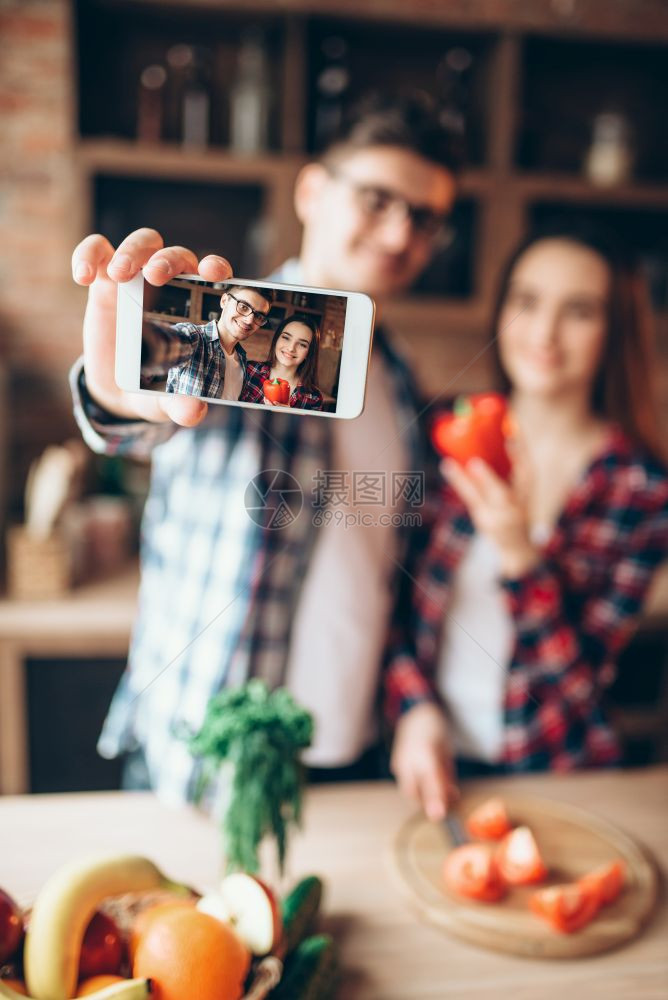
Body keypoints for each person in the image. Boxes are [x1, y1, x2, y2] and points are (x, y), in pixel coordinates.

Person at [69, 93, 459, 802]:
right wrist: (115, 392)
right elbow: (138, 415)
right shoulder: (227, 330)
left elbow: (389, 573)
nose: (401, 234)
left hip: (348, 751)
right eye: (377, 199)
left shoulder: (404, 385)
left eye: (425, 218)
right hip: (204, 750)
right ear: (312, 191)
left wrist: (414, 705)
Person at [385, 222, 668, 820]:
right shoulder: (449, 438)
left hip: (558, 775)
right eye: (527, 302)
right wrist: (413, 709)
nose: (544, 333)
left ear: (614, 332)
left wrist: (519, 554)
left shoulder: (639, 488)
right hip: (426, 762)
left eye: (580, 312)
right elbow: (392, 603)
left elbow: (576, 688)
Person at [139, 284, 274, 400]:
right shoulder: (193, 337)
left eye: (258, 316)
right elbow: (161, 345)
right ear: (224, 301)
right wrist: (145, 341)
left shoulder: (243, 360)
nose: (249, 320)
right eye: (244, 307)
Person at [240, 315, 324, 411]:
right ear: (276, 339)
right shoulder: (249, 370)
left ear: (309, 352)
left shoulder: (314, 398)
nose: (291, 348)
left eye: (302, 344)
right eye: (286, 338)